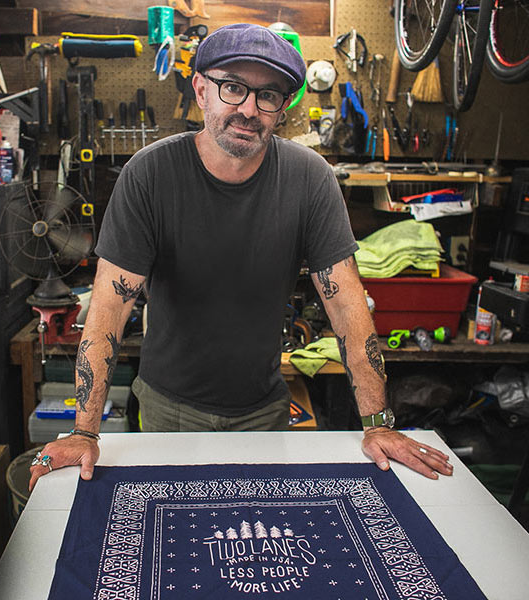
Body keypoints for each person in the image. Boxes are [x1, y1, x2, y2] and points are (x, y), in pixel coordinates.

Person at [29, 23, 452, 491]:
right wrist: (85, 430)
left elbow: (348, 305)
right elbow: (109, 307)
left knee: (256, 543)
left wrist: (377, 422)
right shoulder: (148, 175)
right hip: (169, 408)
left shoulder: (310, 179)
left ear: (282, 108)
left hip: (264, 409)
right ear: (201, 90)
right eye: (233, 88)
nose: (249, 109)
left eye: (268, 95)